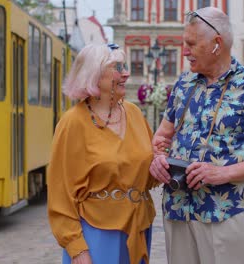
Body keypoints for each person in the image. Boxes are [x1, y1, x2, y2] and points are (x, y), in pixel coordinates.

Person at [150, 7, 244, 264]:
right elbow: (161, 137)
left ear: (217, 44)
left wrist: (220, 173)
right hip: (179, 211)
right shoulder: (183, 84)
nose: (185, 51)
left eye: (191, 44)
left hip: (226, 213)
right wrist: (157, 158)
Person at [47, 44, 165, 264]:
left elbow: (146, 174)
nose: (126, 73)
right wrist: (77, 249)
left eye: (125, 65)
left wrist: (160, 163)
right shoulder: (73, 123)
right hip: (96, 231)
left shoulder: (135, 113)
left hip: (138, 226)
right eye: (118, 67)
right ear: (94, 74)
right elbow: (60, 192)